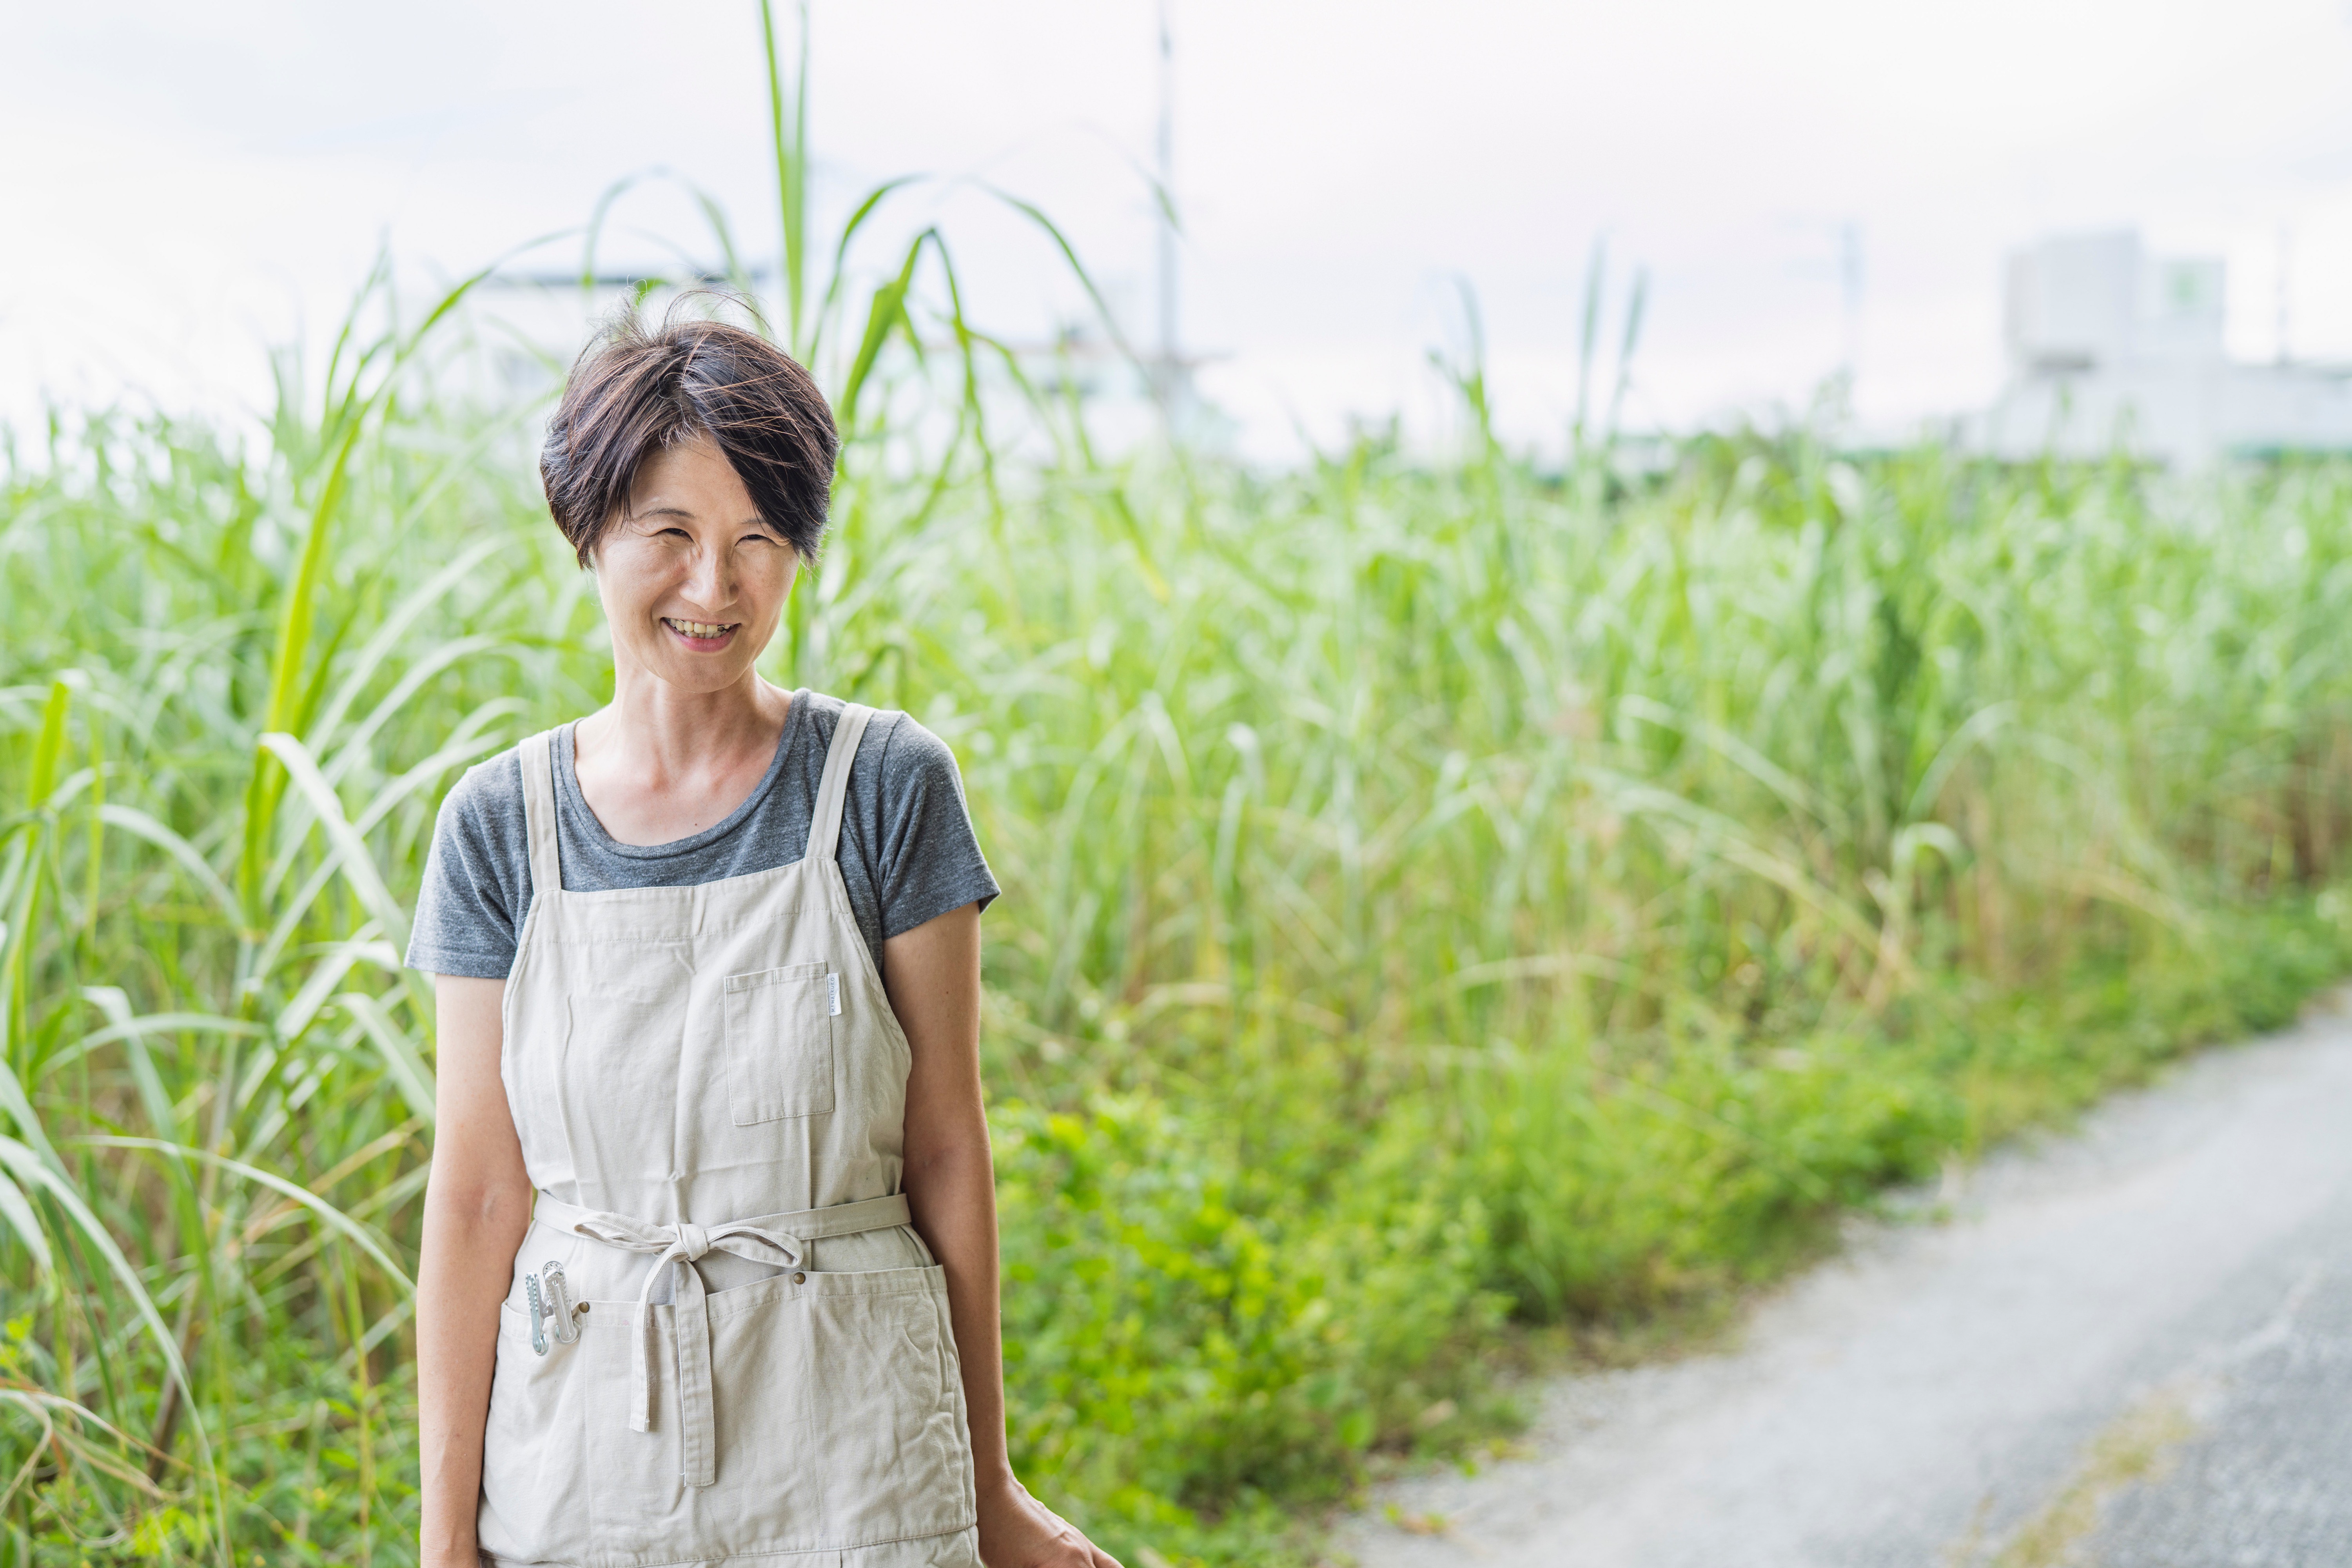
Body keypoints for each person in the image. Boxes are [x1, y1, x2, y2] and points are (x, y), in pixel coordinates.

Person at [408, 305, 1119, 1568]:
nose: (714, 589)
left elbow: (948, 1149)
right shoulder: (499, 827)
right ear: (591, 534)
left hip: (859, 1458)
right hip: (582, 1470)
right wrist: (443, 1543)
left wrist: (989, 1489)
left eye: (758, 541)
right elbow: (474, 1197)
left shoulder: (887, 784)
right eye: (668, 535)